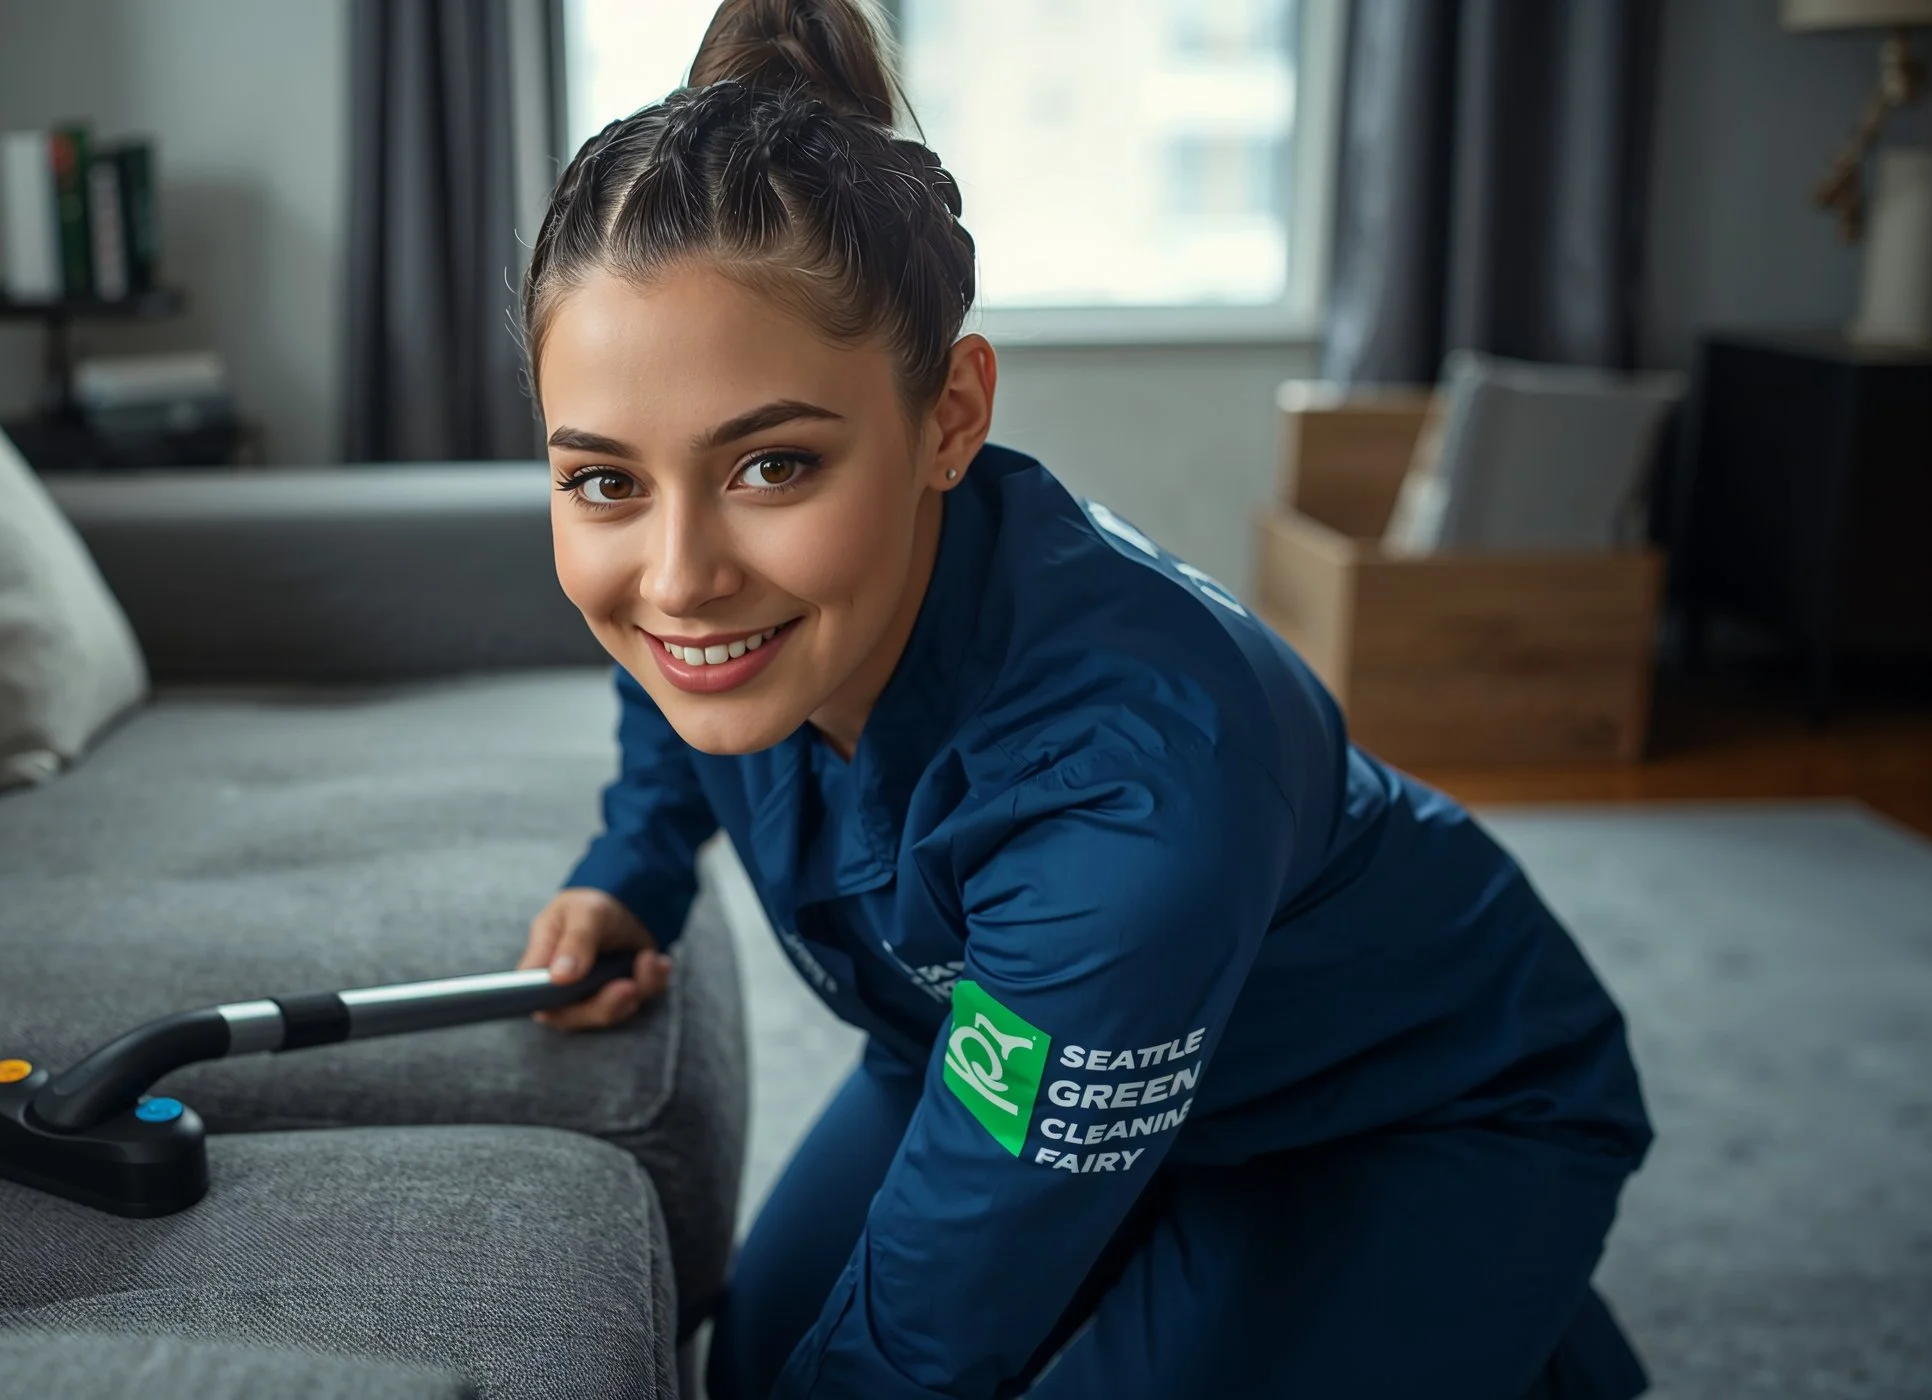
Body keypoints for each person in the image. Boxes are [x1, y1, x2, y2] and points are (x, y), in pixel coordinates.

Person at [514, 2, 1654, 1396]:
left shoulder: (1130, 796)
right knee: (755, 1367)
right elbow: (671, 690)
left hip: (1403, 1107)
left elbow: (920, 1346)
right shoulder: (734, 624)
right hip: (984, 1037)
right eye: (606, 481)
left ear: (949, 416)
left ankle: (1482, 1303)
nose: (679, 578)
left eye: (772, 468)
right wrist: (634, 869)